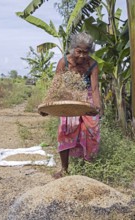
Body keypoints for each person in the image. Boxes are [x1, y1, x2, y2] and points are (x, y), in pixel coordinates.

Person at [53, 32, 102, 179]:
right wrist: (48, 105)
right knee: (66, 130)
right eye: (78, 51)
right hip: (69, 97)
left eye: (85, 52)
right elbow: (55, 85)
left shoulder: (92, 64)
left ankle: (88, 168)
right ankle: (64, 169)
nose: (81, 56)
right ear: (73, 48)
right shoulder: (64, 62)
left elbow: (94, 89)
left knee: (91, 131)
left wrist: (97, 107)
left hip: (86, 97)